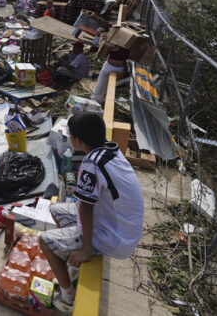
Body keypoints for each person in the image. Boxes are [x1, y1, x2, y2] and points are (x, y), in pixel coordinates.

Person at [39, 112, 144, 311]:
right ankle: (70, 258)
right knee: (56, 209)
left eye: (70, 135)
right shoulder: (110, 149)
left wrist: (86, 251)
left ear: (78, 140)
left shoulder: (91, 164)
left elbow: (86, 211)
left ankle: (67, 297)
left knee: (44, 241)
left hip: (116, 237)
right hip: (121, 226)